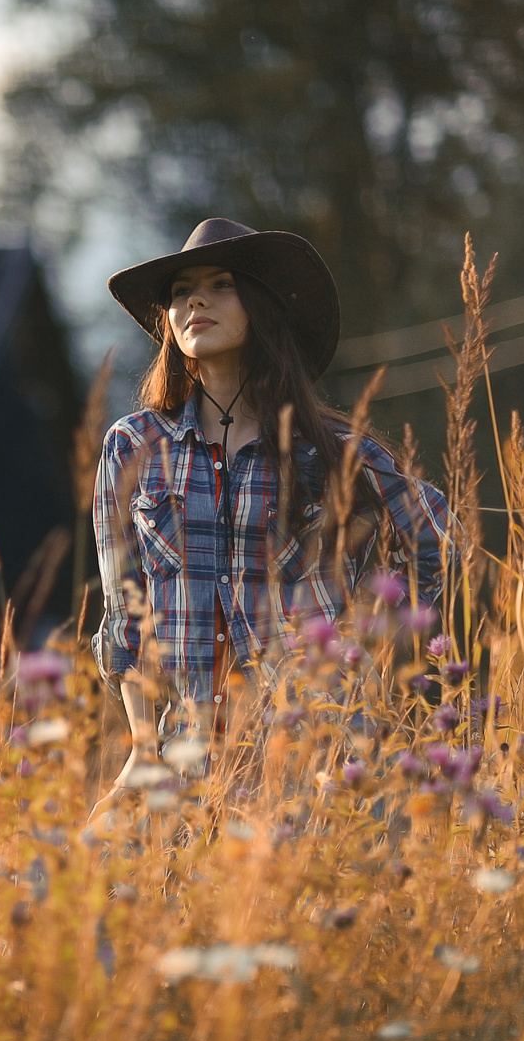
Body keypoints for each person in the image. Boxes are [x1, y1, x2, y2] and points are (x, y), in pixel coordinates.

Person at [88, 218, 452, 819]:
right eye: (181, 292)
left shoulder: (329, 450)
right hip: (184, 760)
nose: (194, 301)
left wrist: (366, 643)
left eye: (220, 284)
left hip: (316, 763)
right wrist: (142, 746)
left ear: (262, 306)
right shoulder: (135, 447)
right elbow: (123, 614)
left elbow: (434, 534)